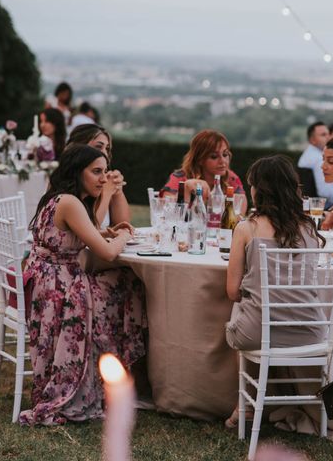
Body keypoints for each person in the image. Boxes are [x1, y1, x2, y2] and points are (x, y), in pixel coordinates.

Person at [20, 144, 145, 426]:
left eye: (104, 171)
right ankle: (122, 373)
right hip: (59, 290)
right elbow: (109, 253)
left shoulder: (59, 199)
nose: (103, 178)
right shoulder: (70, 202)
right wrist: (124, 234)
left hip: (48, 284)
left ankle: (110, 369)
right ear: (78, 172)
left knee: (123, 281)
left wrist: (102, 233)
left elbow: (68, 238)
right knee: (129, 285)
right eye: (96, 172)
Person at [224, 155, 326, 428]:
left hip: (257, 334)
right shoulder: (308, 229)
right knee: (257, 309)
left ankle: (244, 406)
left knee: (243, 307)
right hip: (310, 332)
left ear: (260, 190)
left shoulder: (246, 229)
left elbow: (232, 291)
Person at [66, 124, 130, 227]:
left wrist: (117, 191)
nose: (104, 153)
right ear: (78, 147)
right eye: (98, 147)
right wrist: (107, 193)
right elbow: (89, 232)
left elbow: (123, 225)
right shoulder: (63, 185)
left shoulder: (102, 179)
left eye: (107, 148)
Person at [161, 129, 244, 201]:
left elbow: (239, 211)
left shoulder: (231, 178)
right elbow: (165, 208)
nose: (223, 161)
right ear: (199, 159)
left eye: (225, 154)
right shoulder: (180, 177)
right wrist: (186, 189)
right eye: (214, 157)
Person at [297, 121, 333, 208]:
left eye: (329, 134)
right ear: (312, 140)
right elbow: (325, 192)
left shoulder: (308, 155)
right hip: (323, 209)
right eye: (323, 135)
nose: (328, 137)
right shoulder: (318, 159)